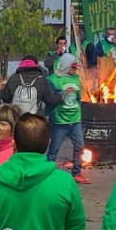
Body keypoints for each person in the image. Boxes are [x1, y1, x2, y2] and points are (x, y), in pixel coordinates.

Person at [45, 53, 88, 185]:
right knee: (54, 150)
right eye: (73, 67)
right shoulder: (52, 79)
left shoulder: (76, 79)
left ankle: (76, 172)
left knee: (80, 147)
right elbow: (49, 99)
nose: (75, 70)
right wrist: (63, 94)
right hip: (59, 121)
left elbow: (78, 98)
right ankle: (47, 173)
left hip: (75, 120)